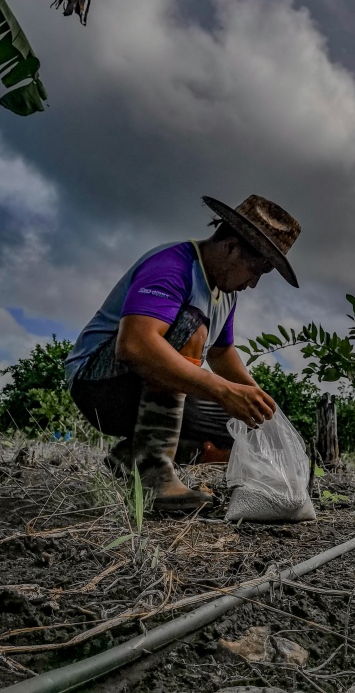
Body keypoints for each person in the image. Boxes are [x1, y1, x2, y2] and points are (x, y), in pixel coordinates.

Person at [66, 194, 301, 512]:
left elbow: (220, 353)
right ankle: (154, 477)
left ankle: (126, 459)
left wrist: (257, 401)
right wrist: (221, 389)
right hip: (98, 383)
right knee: (192, 326)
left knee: (239, 428)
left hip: (157, 390)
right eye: (255, 270)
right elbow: (135, 345)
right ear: (231, 247)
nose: (254, 284)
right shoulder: (173, 266)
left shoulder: (225, 291)